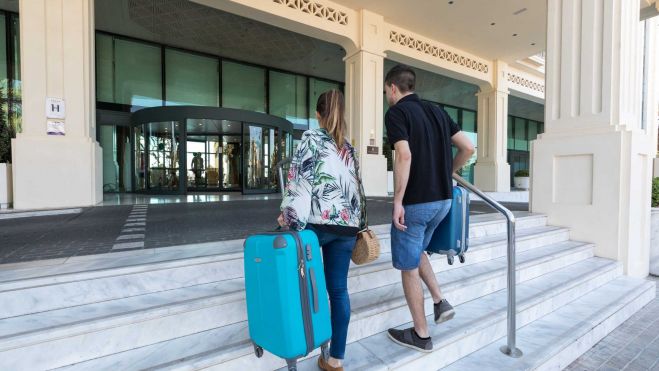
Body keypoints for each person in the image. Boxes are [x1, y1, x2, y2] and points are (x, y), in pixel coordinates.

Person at [383, 64, 475, 352]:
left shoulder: (397, 112)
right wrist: (447, 171)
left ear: (394, 88)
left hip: (417, 202)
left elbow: (404, 155)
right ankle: (439, 301)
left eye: (386, 91)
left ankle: (421, 334)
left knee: (408, 266)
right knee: (418, 249)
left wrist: (398, 201)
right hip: (444, 201)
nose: (387, 96)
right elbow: (468, 148)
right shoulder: (437, 111)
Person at [278, 89, 365, 371]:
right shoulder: (348, 147)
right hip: (347, 228)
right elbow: (356, 191)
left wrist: (290, 218)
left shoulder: (311, 138)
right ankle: (336, 358)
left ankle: (298, 341)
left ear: (318, 115)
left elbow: (301, 181)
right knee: (338, 290)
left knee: (300, 285)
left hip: (318, 225)